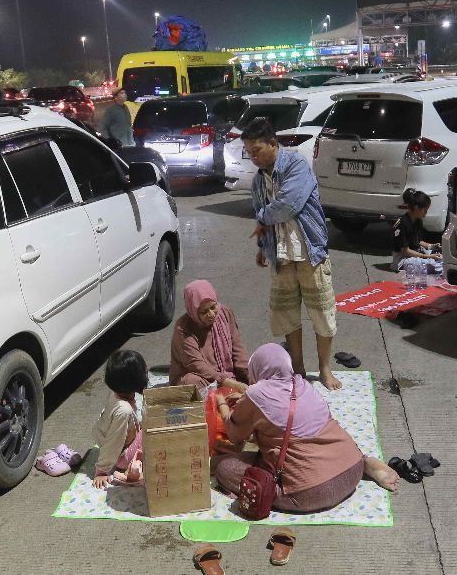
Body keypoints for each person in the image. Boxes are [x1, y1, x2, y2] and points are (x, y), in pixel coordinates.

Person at [211, 344, 400, 513]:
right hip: (352, 467)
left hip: (311, 493)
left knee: (225, 468)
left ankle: (284, 487)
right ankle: (366, 463)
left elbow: (236, 435)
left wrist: (222, 404)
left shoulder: (255, 394)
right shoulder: (301, 384)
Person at [241, 116, 343, 391]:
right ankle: (297, 368)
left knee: (321, 313)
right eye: (249, 153)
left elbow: (288, 205)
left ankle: (324, 368)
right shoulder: (258, 182)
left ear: (273, 144)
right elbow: (262, 221)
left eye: (256, 151)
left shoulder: (297, 165)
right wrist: (263, 248)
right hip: (281, 255)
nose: (253, 158)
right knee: (287, 314)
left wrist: (263, 217)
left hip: (309, 250)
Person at [170, 280, 250, 391]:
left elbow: (237, 349)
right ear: (193, 311)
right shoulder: (183, 328)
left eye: (213, 307)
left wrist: (249, 375)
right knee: (192, 383)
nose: (212, 314)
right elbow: (196, 365)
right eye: (204, 312)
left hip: (227, 375)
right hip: (201, 376)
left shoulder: (225, 313)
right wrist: (228, 382)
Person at [92, 349, 148, 488]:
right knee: (153, 426)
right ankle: (132, 470)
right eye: (144, 372)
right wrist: (102, 470)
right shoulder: (123, 410)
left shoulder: (116, 392)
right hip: (122, 456)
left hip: (113, 441)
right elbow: (114, 441)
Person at [391, 189, 443, 275]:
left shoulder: (418, 220)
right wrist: (428, 257)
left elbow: (418, 241)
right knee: (436, 266)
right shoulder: (402, 224)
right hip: (403, 260)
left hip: (416, 253)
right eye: (425, 210)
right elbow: (405, 251)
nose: (426, 213)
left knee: (442, 258)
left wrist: (432, 246)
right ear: (416, 208)